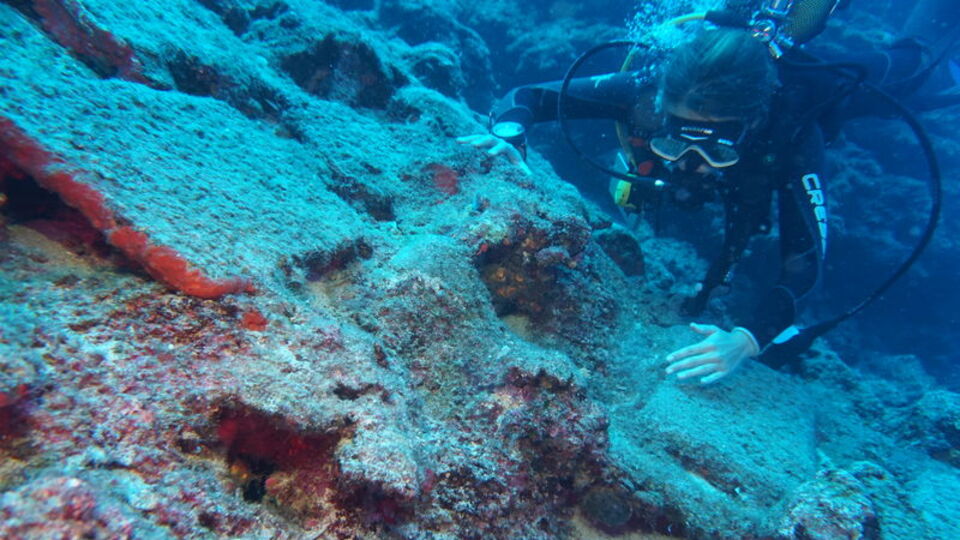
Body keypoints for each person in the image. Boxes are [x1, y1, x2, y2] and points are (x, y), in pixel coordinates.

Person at [458, 2, 957, 385]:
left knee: (919, 72)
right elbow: (528, 97)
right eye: (674, 139)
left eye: (717, 147)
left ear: (752, 123)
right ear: (660, 108)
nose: (691, 164)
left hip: (827, 90)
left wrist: (746, 340)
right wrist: (508, 137)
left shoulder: (791, 130)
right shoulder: (644, 87)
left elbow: (805, 265)